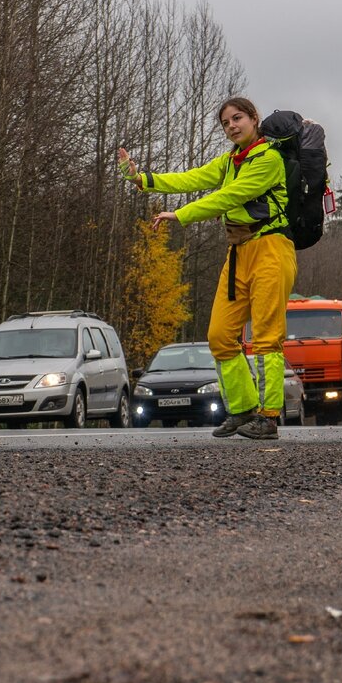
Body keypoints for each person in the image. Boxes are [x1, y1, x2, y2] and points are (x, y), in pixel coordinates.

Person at [118, 97, 296, 440]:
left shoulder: (268, 159)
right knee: (219, 336)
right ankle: (243, 410)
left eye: (238, 118)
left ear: (254, 118)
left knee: (266, 337)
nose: (232, 126)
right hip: (239, 251)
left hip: (271, 248)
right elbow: (191, 178)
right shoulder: (230, 161)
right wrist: (142, 179)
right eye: (226, 122)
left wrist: (181, 215)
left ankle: (269, 416)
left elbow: (229, 197)